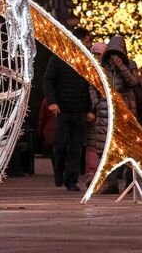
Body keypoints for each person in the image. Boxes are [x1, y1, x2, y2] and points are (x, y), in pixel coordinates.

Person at [44, 27, 94, 192]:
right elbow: (48, 80)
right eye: (88, 41)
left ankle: (71, 180)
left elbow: (90, 86)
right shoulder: (59, 58)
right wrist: (52, 102)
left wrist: (89, 109)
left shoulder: (87, 61)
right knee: (60, 144)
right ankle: (59, 169)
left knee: (76, 147)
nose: (89, 44)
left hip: (80, 110)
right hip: (62, 110)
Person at [99, 36, 140, 193]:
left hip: (126, 109)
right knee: (109, 147)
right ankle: (112, 183)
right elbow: (94, 85)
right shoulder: (103, 67)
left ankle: (130, 181)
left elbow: (133, 82)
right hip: (107, 110)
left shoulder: (131, 64)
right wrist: (97, 102)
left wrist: (121, 66)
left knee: (128, 147)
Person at [85, 41, 108, 179]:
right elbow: (87, 90)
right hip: (95, 113)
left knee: (104, 145)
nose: (96, 57)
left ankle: (103, 174)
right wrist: (92, 108)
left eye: (98, 54)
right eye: (94, 54)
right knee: (93, 144)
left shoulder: (109, 70)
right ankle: (92, 172)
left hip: (106, 112)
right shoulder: (90, 70)